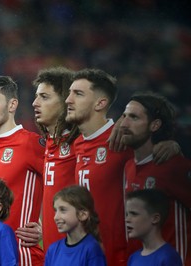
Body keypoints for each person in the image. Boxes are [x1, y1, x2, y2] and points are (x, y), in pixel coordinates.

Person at [65, 68, 133, 266]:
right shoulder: (77, 143)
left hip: (119, 257)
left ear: (100, 103)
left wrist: (169, 144)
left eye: (78, 94)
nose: (68, 100)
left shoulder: (124, 141)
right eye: (69, 93)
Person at [0, 75, 44, 265]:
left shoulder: (30, 143)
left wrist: (49, 227)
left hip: (21, 256)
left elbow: (68, 184)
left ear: (12, 105)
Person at [120, 92, 191, 265]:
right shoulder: (128, 166)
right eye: (124, 116)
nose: (124, 123)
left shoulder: (175, 166)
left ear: (155, 125)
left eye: (134, 117)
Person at [31, 67, 79, 251]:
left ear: (66, 101)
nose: (35, 103)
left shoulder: (81, 144)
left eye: (44, 97)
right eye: (36, 96)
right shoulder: (44, 145)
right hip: (52, 252)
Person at [45, 185, 107, 266]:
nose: (55, 217)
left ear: (83, 215)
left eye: (63, 210)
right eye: (55, 211)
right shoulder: (53, 250)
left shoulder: (92, 250)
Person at [126, 189, 183, 266]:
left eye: (134, 214)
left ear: (155, 219)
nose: (127, 219)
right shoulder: (133, 257)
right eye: (127, 214)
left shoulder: (168, 257)